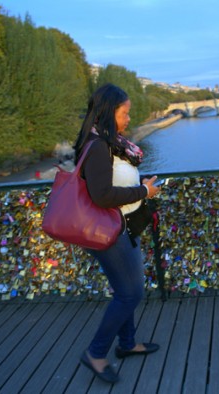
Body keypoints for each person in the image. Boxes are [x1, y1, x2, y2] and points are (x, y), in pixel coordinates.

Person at [73, 83, 161, 383]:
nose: (128, 119)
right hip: (109, 233)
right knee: (131, 293)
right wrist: (143, 190)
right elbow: (102, 196)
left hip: (120, 227)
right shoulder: (98, 146)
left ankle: (128, 343)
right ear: (110, 112)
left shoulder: (106, 142)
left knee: (125, 291)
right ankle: (96, 353)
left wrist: (141, 187)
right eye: (125, 113)